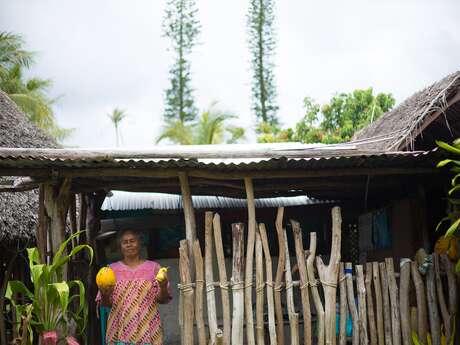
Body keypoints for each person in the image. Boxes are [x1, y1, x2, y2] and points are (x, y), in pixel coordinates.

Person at [98, 229, 172, 345]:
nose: (129, 244)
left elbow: (163, 299)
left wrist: (162, 287)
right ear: (120, 247)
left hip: (148, 329)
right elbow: (106, 304)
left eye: (132, 241)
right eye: (125, 242)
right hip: (120, 329)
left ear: (139, 243)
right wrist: (104, 293)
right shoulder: (111, 270)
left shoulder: (154, 268)